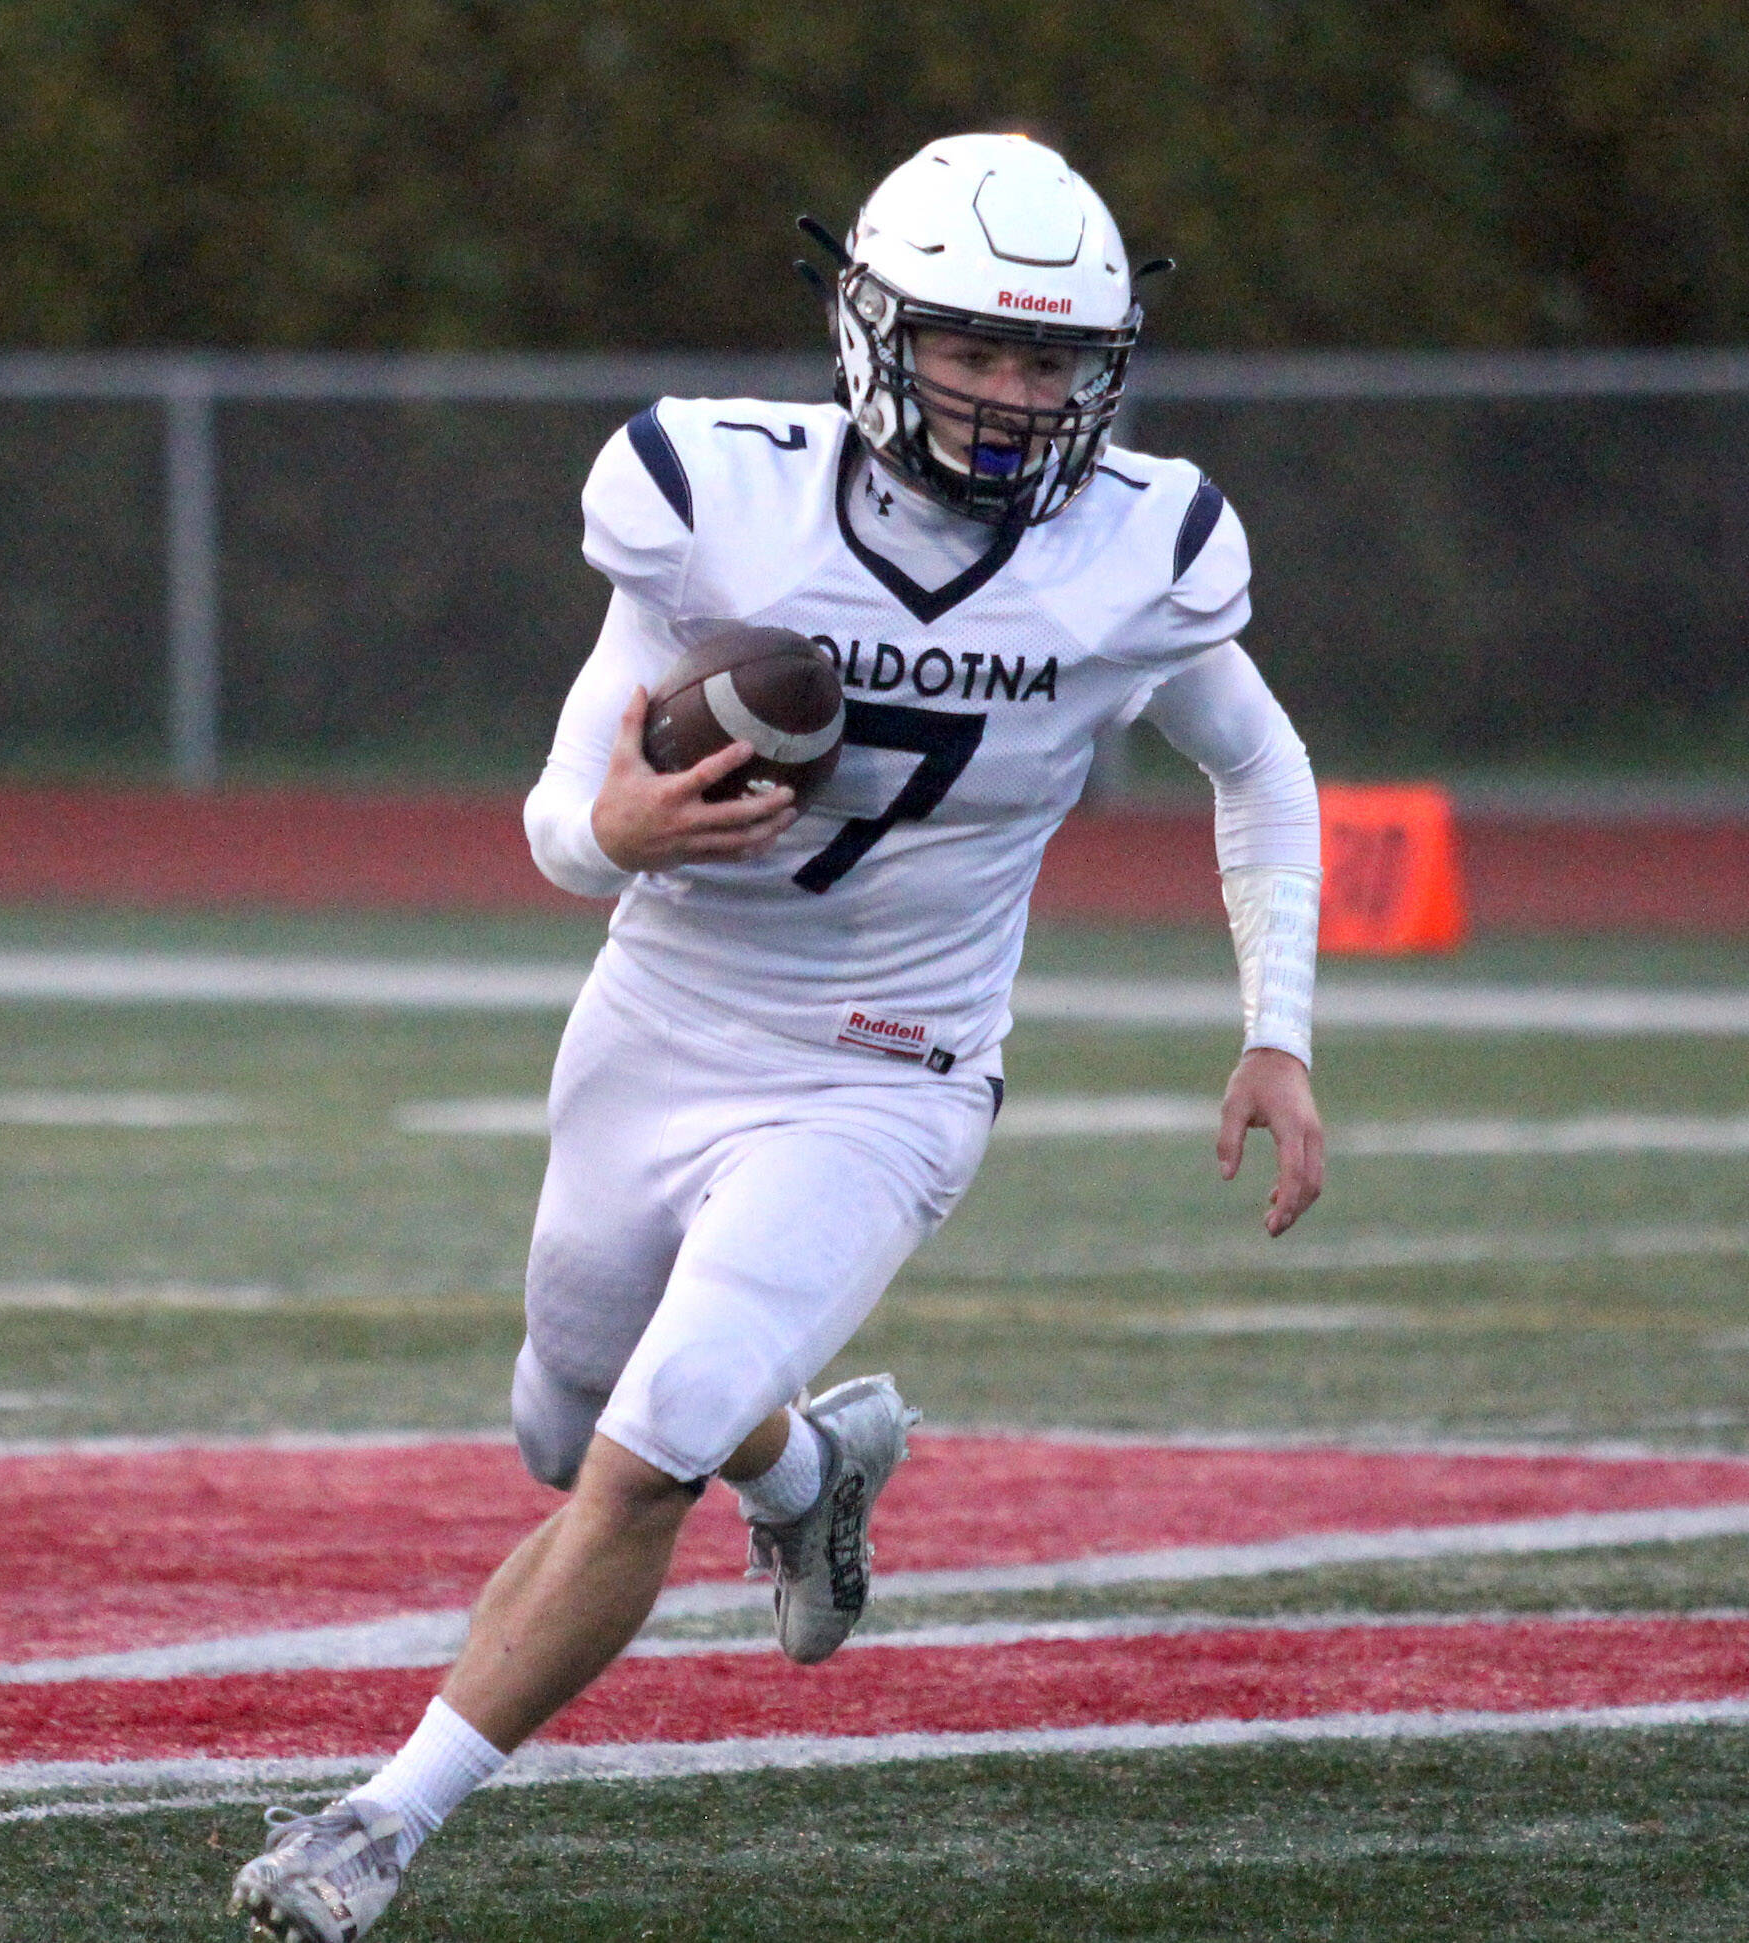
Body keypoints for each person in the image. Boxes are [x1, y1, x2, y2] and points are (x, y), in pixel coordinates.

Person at [229, 130, 1324, 1943]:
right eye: (971, 348)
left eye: (1050, 362)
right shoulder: (712, 491)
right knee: (559, 1426)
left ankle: (381, 1826)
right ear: (874, 331)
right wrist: (619, 832)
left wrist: (1275, 1029)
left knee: (647, 1445)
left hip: (888, 1065)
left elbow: (1258, 761)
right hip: (665, 1017)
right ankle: (814, 1469)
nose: (1009, 396)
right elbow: (558, 822)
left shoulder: (1147, 545)